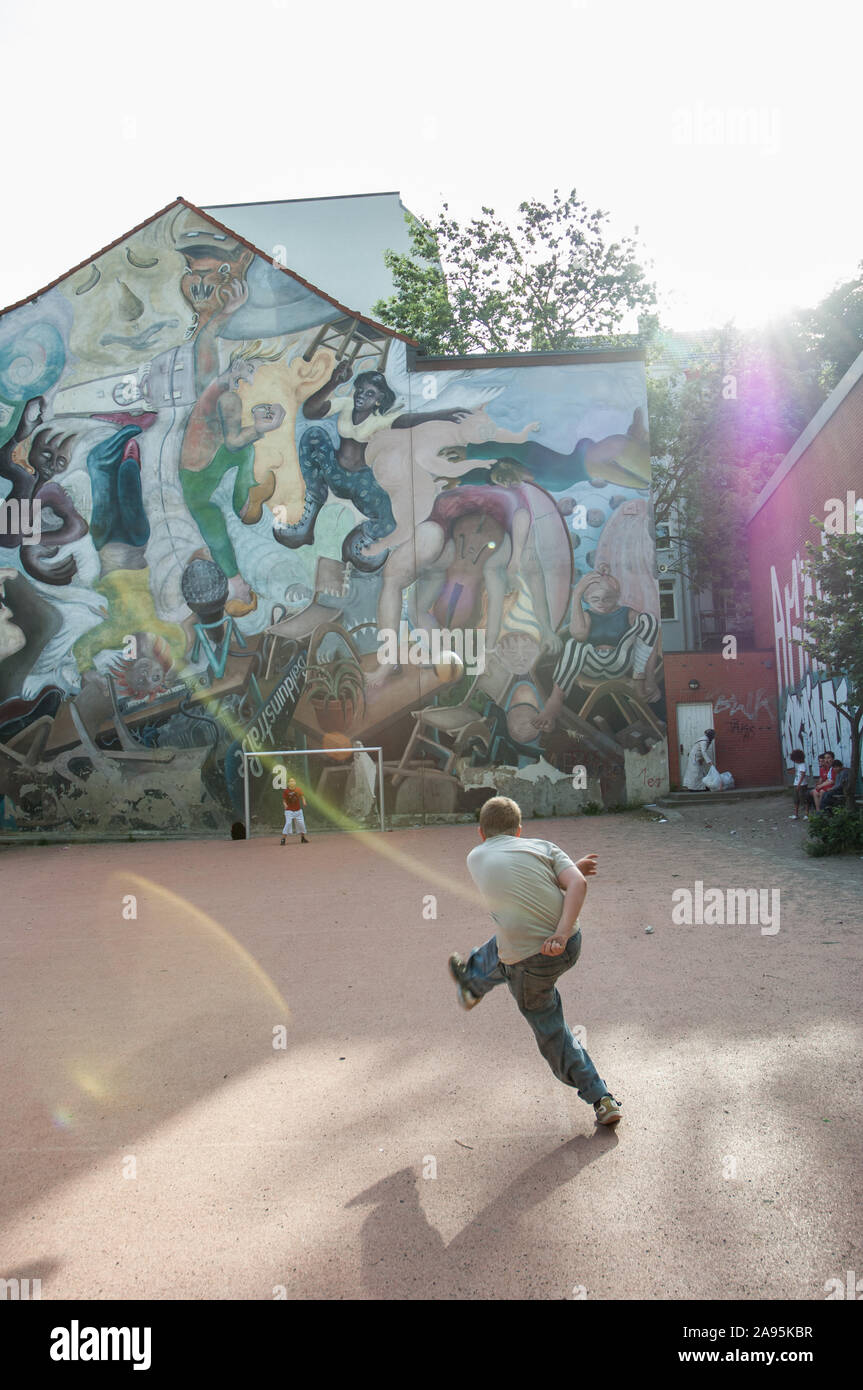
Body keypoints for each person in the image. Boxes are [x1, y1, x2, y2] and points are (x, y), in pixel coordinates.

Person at [448, 795, 622, 1126]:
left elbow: (513, 877)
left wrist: (550, 937)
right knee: (499, 947)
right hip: (570, 942)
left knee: (549, 1025)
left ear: (481, 833)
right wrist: (561, 931)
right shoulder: (543, 847)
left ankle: (600, 1096)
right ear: (519, 831)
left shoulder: (476, 856)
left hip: (531, 960)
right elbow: (577, 883)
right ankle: (472, 980)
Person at [280, 778, 309, 845]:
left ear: (295, 783)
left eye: (293, 781)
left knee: (301, 824)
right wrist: (285, 805)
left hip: (298, 811)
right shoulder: (286, 791)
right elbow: (284, 801)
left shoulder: (298, 789)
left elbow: (302, 796)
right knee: (288, 823)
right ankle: (283, 839)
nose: (292, 783)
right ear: (288, 783)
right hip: (289, 811)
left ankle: (303, 838)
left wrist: (304, 802)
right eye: (290, 781)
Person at [789, 748, 808, 819]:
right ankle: (796, 814)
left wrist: (799, 784)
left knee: (804, 799)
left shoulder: (802, 765)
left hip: (802, 785)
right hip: (797, 784)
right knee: (796, 799)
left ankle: (806, 814)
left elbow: (803, 775)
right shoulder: (799, 765)